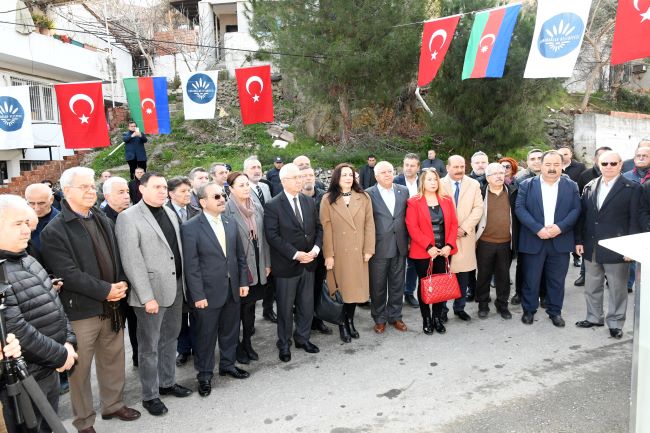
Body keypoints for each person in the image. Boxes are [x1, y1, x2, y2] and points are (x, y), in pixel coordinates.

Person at [40, 167, 140, 432]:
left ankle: (113, 404)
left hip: (112, 305)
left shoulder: (100, 217)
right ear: (67, 191)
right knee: (79, 370)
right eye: (83, 186)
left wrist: (121, 283)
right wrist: (106, 290)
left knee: (113, 358)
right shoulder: (54, 230)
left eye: (91, 185)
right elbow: (68, 274)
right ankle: (84, 421)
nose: (90, 190)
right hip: (81, 311)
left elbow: (117, 255)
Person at [116, 172, 192, 417]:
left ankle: (167, 383)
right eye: (156, 187)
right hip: (150, 294)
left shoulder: (169, 212)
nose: (162, 191)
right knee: (149, 347)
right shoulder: (128, 218)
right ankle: (150, 396)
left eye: (164, 187)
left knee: (170, 339)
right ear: (141, 189)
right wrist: (146, 297)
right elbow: (132, 261)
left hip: (175, 287)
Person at [0, 195, 78, 433]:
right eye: (18, 224)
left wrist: (68, 341)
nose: (26, 230)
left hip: (47, 370)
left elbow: (56, 304)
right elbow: (14, 330)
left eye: (27, 223)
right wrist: (61, 355)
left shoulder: (26, 258)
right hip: (24, 379)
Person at [181, 182, 250, 397]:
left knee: (230, 331)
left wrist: (243, 282)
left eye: (223, 195)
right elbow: (191, 266)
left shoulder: (230, 221)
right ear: (203, 202)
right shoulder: (190, 227)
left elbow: (239, 256)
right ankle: (204, 375)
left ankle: (228, 365)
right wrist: (198, 295)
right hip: (207, 294)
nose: (222, 199)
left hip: (232, 288)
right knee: (205, 336)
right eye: (217, 196)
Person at [575, 151, 640, 339]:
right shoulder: (590, 186)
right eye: (605, 164)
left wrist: (631, 248)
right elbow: (583, 216)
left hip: (617, 246)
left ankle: (616, 323)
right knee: (592, 285)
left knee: (617, 288)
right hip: (592, 244)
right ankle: (594, 317)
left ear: (621, 165)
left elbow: (635, 220)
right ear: (598, 165)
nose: (609, 167)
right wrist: (579, 241)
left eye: (613, 163)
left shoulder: (632, 188)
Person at [264, 163, 323, 362]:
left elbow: (318, 228)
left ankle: (303, 338)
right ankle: (284, 343)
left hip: (309, 263)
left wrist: (315, 249)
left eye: (301, 177)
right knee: (285, 308)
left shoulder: (308, 201)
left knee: (306, 305)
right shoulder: (273, 205)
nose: (300, 181)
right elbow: (272, 236)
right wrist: (296, 254)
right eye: (295, 178)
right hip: (287, 266)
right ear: (283, 181)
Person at [515, 151, 581, 327]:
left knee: (557, 281)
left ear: (562, 166)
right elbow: (520, 208)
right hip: (533, 239)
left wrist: (560, 227)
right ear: (541, 165)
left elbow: (576, 210)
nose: (552, 168)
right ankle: (529, 310)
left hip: (560, 240)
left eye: (556, 165)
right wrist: (538, 229)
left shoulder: (571, 186)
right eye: (548, 164)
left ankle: (555, 312)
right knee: (531, 279)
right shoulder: (527, 185)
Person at [321, 163, 375, 342]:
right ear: (337, 177)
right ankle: (342, 323)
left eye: (350, 175)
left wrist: (369, 249)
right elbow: (326, 229)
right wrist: (329, 255)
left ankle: (350, 321)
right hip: (338, 253)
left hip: (358, 252)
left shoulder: (363, 197)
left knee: (354, 291)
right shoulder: (327, 199)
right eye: (344, 175)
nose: (348, 178)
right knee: (341, 291)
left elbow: (369, 224)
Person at [225, 172, 271, 364]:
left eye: (247, 184)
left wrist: (267, 263)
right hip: (239, 265)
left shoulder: (256, 206)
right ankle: (236, 347)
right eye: (241, 185)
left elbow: (264, 236)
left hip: (258, 262)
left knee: (250, 307)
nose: (246, 188)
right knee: (236, 310)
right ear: (231, 189)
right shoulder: (226, 210)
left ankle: (247, 342)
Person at [405, 168, 458, 335]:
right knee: (425, 285)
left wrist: (449, 245)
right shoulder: (414, 202)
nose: (433, 182)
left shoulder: (446, 200)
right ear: (422, 182)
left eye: (435, 179)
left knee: (440, 285)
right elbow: (412, 227)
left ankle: (437, 318)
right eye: (429, 179)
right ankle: (426, 319)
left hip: (443, 251)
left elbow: (453, 224)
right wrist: (428, 247)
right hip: (424, 252)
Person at [366, 161, 409, 333]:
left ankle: (395, 316)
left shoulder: (403, 190)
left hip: (400, 245)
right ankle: (379, 318)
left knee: (397, 284)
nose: (387, 174)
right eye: (383, 172)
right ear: (376, 176)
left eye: (390, 171)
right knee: (378, 286)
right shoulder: (368, 194)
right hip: (378, 247)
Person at [101, 176, 138, 368]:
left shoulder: (133, 215)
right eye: (121, 192)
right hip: (114, 286)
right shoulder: (101, 220)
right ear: (107, 196)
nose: (126, 196)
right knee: (114, 333)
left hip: (135, 282)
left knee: (137, 325)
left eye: (127, 192)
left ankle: (139, 358)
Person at [441, 155, 483, 321]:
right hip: (444, 237)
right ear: (447, 167)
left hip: (465, 236)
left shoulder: (473, 184)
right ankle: (442, 310)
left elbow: (478, 208)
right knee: (444, 275)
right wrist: (451, 230)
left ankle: (459, 308)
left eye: (462, 167)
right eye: (456, 167)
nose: (459, 170)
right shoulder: (438, 184)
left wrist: (464, 228)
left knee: (463, 275)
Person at [475, 163, 518, 320]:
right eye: (495, 174)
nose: (499, 176)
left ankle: (502, 304)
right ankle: (483, 304)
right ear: (487, 178)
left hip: (506, 243)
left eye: (501, 173)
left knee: (503, 276)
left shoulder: (513, 192)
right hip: (485, 242)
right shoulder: (480, 193)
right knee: (483, 275)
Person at [166, 176, 201, 368]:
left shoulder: (197, 211)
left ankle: (198, 346)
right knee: (179, 315)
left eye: (189, 190)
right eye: (183, 191)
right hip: (175, 273)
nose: (188, 194)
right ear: (171, 194)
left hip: (195, 270)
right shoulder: (163, 214)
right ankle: (183, 349)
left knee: (196, 312)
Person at [574, 146, 613, 287]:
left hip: (611, 227)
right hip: (591, 225)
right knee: (589, 254)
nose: (607, 164)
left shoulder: (621, 179)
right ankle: (584, 275)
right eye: (602, 159)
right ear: (596, 159)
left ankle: (609, 277)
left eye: (611, 160)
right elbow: (580, 200)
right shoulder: (585, 175)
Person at [300, 166, 332, 335]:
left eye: (311, 175)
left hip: (320, 250)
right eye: (304, 175)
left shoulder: (324, 196)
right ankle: (303, 321)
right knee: (302, 291)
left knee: (318, 287)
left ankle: (318, 319)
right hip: (301, 253)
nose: (308, 178)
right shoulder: (295, 198)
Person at [511, 149, 544, 305]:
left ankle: (543, 294)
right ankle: (520, 292)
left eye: (539, 158)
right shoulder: (520, 179)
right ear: (527, 162)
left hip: (549, 228)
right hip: (526, 228)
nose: (536, 161)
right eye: (533, 159)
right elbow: (517, 206)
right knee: (523, 263)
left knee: (546, 264)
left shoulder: (557, 177)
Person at [394, 153, 420, 308]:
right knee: (397, 265)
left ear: (418, 167)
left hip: (418, 229)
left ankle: (409, 292)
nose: (409, 168)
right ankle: (396, 295)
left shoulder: (423, 181)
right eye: (406, 165)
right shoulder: (395, 181)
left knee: (413, 264)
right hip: (399, 229)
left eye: (412, 165)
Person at [24, 183, 59, 257]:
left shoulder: (63, 222)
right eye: (32, 203)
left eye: (41, 203)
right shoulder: (20, 221)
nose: (36, 208)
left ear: (51, 199)